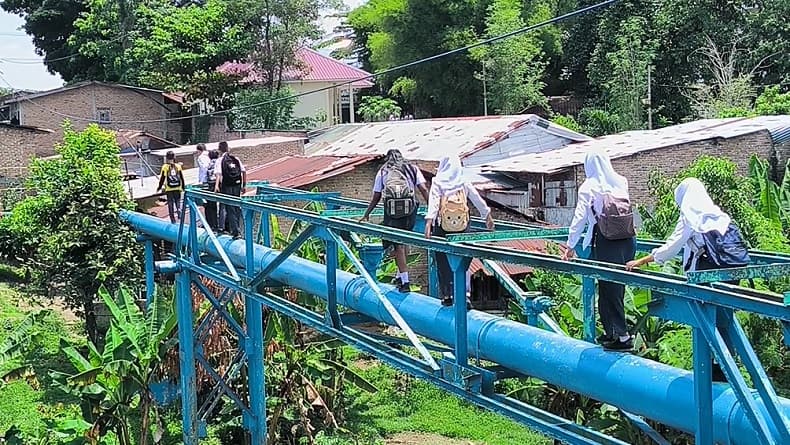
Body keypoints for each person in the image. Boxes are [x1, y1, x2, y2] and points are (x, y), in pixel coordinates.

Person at [625, 177, 750, 380]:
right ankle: (726, 366)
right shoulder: (719, 215)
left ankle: (709, 368)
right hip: (731, 272)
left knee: (706, 319)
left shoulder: (691, 217)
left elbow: (671, 247)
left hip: (706, 274)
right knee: (724, 317)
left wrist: (642, 260)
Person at [561, 148, 636, 351]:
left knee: (608, 287)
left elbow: (580, 219)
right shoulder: (621, 181)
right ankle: (613, 332)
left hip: (606, 240)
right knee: (614, 287)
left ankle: (622, 336)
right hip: (628, 240)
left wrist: (570, 245)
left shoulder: (589, 186)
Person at [424, 155, 494, 308]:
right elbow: (477, 199)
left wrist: (429, 222)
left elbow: (434, 202)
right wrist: (487, 216)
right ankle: (464, 295)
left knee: (442, 260)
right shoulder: (462, 181)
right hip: (463, 226)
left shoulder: (438, 181)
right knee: (463, 260)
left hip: (442, 227)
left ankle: (448, 295)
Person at [360, 149, 429, 292]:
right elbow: (423, 189)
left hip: (391, 212)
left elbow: (377, 195)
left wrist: (367, 213)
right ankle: (400, 276)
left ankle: (405, 282)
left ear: (387, 158)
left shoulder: (383, 171)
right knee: (405, 241)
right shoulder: (412, 168)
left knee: (398, 246)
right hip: (409, 210)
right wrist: (432, 209)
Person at [214, 141, 246, 238]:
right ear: (228, 149)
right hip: (237, 185)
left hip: (227, 186)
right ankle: (242, 231)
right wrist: (244, 185)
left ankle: (235, 231)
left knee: (230, 208)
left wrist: (216, 186)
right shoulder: (235, 159)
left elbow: (218, 174)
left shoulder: (220, 160)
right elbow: (244, 171)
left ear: (219, 150)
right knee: (237, 206)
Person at [156, 151, 186, 224]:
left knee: (170, 204)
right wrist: (183, 187)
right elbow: (181, 177)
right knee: (178, 202)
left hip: (169, 188)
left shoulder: (165, 167)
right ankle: (179, 212)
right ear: (174, 157)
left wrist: (159, 187)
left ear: (166, 158)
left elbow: (162, 178)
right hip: (177, 187)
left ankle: (173, 220)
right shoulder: (178, 166)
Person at [204, 149, 220, 230]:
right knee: (223, 205)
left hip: (210, 185)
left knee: (211, 205)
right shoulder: (220, 162)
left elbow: (205, 175)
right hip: (220, 185)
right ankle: (222, 225)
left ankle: (212, 225)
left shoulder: (209, 164)